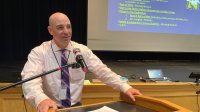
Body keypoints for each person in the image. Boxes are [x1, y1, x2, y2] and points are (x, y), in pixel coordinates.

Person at [21, 12, 142, 112]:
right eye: (60, 27)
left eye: (69, 26)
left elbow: (102, 71)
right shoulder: (39, 52)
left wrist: (125, 87)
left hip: (77, 107)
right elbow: (30, 79)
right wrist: (41, 99)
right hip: (51, 108)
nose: (66, 31)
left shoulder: (81, 50)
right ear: (50, 30)